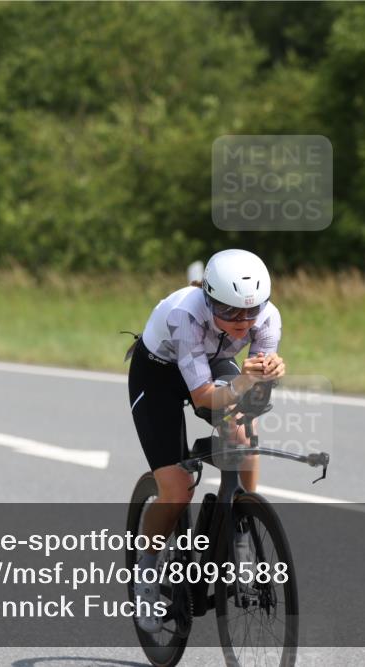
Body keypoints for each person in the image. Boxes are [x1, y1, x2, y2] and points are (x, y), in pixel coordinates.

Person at [125, 248, 285, 633]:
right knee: (177, 488)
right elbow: (204, 397)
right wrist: (245, 382)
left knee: (242, 434)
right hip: (159, 375)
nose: (242, 322)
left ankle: (242, 524)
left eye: (250, 311)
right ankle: (146, 571)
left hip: (209, 363)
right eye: (229, 312)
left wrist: (267, 377)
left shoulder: (268, 318)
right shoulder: (186, 315)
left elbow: (253, 397)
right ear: (209, 299)